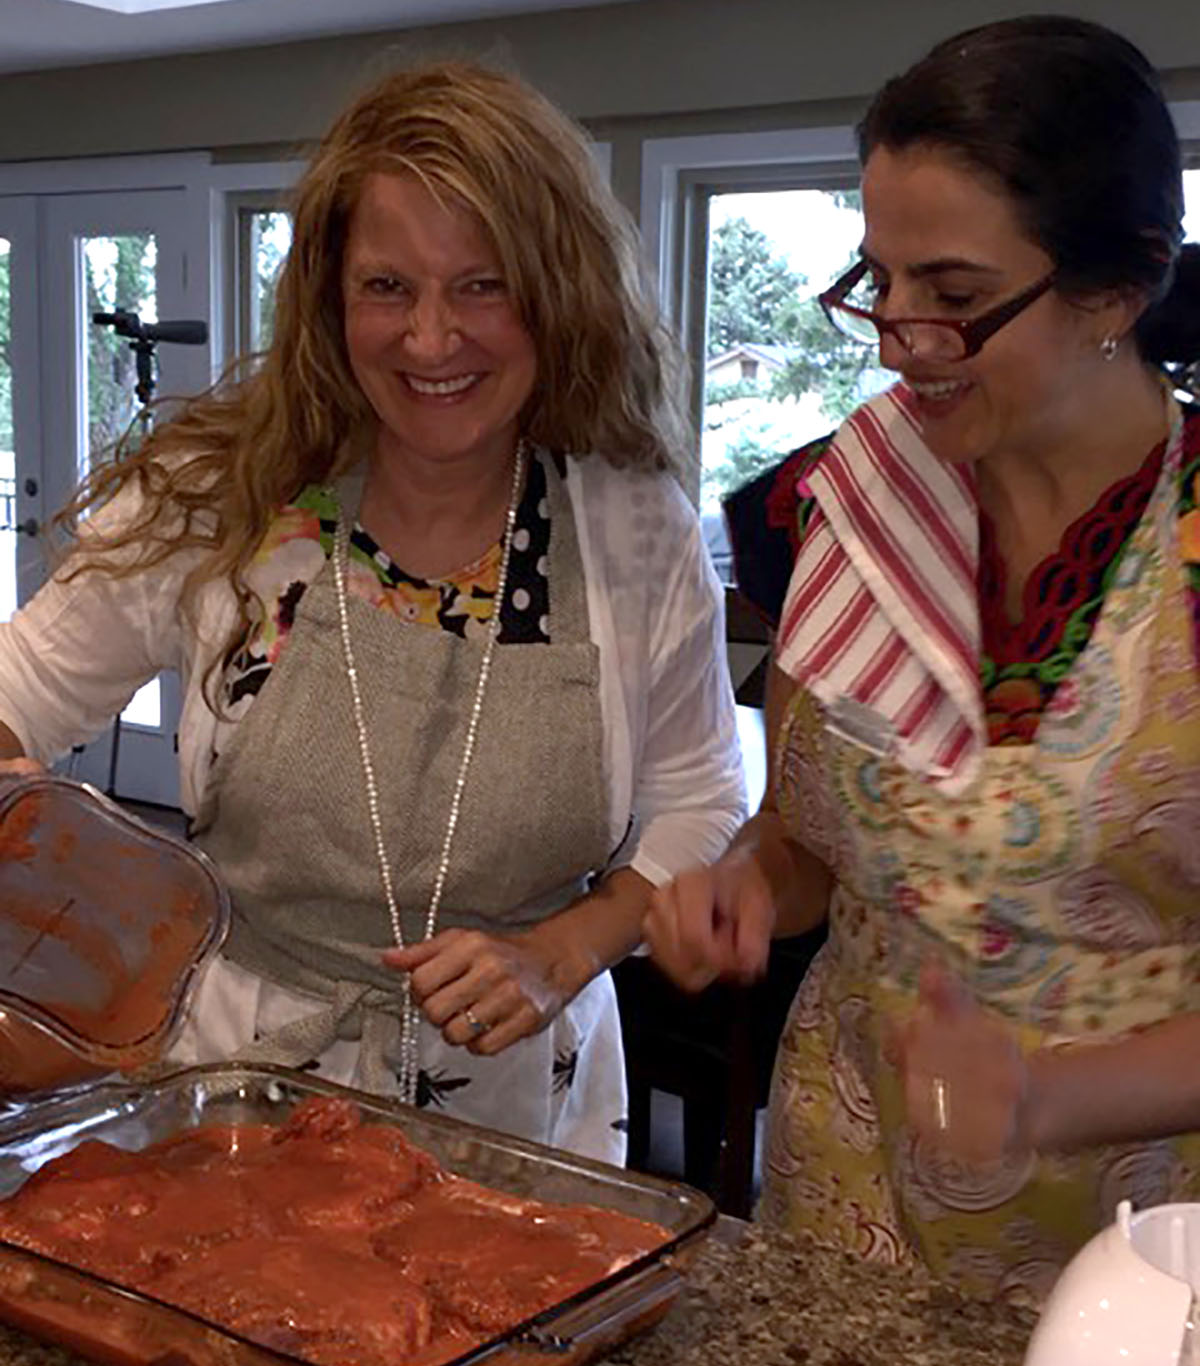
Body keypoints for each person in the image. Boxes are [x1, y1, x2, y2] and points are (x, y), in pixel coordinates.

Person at [0, 61, 745, 1164]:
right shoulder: (226, 504)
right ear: (330, 297)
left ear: (558, 292)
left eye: (483, 285)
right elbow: (18, 703)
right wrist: (63, 872)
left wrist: (563, 949)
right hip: (236, 1083)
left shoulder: (633, 530)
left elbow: (697, 796)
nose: (431, 339)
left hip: (521, 1101)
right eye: (388, 287)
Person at [646, 15, 1200, 1301]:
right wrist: (743, 890)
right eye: (878, 282)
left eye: (953, 298)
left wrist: (1045, 1091)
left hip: (1139, 1244)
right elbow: (799, 844)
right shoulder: (844, 506)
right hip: (849, 1205)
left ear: (1116, 293)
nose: (899, 338)